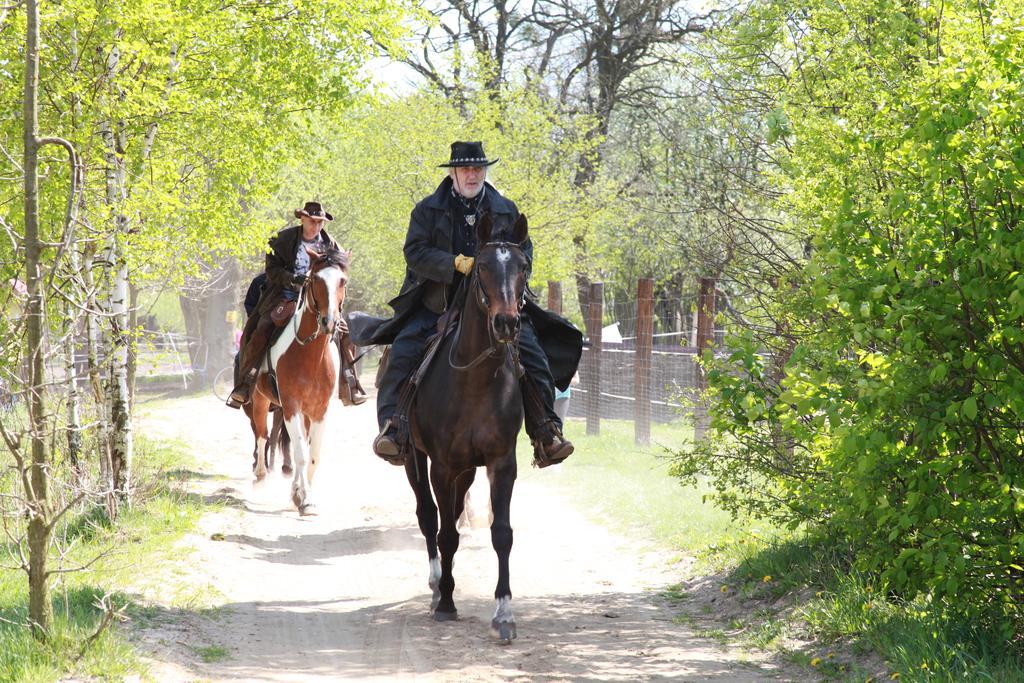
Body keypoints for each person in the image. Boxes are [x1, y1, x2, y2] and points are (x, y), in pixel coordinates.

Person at [350, 141, 581, 468]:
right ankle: (393, 427)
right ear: (454, 173)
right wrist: (454, 263)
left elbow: (524, 253)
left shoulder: (506, 209)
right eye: (465, 169)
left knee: (533, 355)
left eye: (478, 169)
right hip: (438, 300)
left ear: (484, 171)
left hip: (495, 302)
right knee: (402, 351)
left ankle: (546, 431)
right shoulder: (427, 210)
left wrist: (505, 271)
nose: (472, 175)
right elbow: (414, 253)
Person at [226, 201, 366, 408]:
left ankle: (350, 383)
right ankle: (247, 382)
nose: (317, 226)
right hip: (285, 295)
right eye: (312, 221)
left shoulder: (333, 246)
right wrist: (294, 279)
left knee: (345, 332)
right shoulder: (281, 240)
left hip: (320, 300)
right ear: (302, 218)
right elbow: (272, 271)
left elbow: (340, 278)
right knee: (261, 327)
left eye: (320, 222)